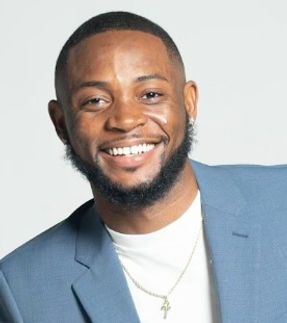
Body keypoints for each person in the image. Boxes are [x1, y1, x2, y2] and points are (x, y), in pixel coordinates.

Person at [0, 11, 286, 323]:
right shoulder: (21, 290)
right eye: (95, 101)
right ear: (61, 124)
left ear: (188, 102)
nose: (125, 120)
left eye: (150, 95)